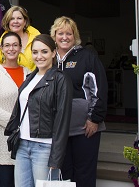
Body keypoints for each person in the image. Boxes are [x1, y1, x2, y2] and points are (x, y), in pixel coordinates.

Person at [5, 34, 72, 187]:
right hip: (23, 145)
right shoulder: (30, 77)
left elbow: (63, 120)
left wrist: (56, 157)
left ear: (54, 53)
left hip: (45, 147)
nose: (39, 56)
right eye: (35, 52)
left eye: (44, 51)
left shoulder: (60, 79)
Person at [50, 17, 108, 187]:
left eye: (69, 33)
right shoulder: (49, 58)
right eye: (60, 33)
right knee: (64, 173)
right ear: (54, 35)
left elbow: (99, 89)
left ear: (75, 36)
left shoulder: (87, 57)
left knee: (84, 173)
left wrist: (94, 118)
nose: (64, 37)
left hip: (85, 128)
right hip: (59, 129)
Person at [0, 31, 30, 187]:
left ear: (20, 48)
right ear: (2, 49)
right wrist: (16, 123)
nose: (11, 48)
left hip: (25, 140)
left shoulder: (29, 73)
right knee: (5, 183)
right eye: (7, 45)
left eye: (15, 45)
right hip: (2, 140)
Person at [0, 6, 40, 72]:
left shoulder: (36, 39)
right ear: (8, 22)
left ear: (25, 22)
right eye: (12, 19)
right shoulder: (0, 43)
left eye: (19, 18)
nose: (15, 21)